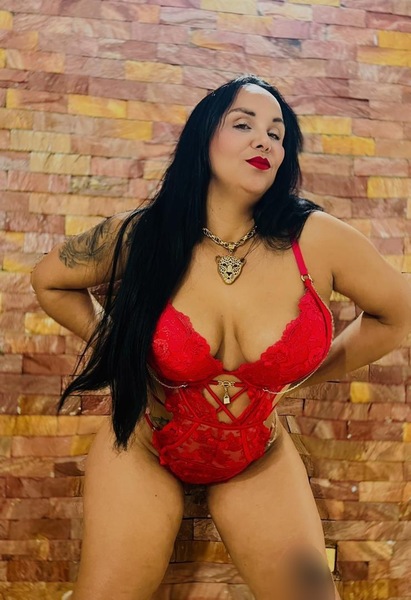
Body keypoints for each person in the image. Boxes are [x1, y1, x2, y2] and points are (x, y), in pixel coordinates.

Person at [31, 75, 411, 600]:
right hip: (145, 447)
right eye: (243, 124)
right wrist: (124, 348)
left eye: (277, 134)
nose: (264, 141)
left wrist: (300, 380)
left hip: (257, 455)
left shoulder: (317, 238)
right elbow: (49, 280)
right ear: (204, 137)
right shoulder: (144, 235)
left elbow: (397, 315)